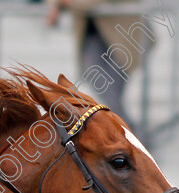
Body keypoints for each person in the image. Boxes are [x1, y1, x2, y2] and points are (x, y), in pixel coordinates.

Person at [45, 0, 151, 135]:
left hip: (125, 35)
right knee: (101, 84)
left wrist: (68, 3)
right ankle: (128, 131)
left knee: (111, 91)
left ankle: (126, 132)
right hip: (93, 34)